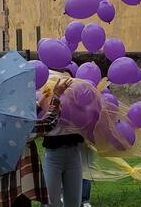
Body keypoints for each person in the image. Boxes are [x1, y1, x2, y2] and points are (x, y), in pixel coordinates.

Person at [0, 78, 73, 207]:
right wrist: (56, 96)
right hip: (15, 192)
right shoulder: (14, 125)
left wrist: (38, 105)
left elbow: (24, 125)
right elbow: (47, 123)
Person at [41, 70, 85, 207]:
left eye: (68, 81)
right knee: (51, 201)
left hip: (73, 153)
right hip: (53, 155)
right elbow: (43, 123)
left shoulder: (79, 100)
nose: (65, 85)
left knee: (74, 201)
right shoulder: (47, 98)